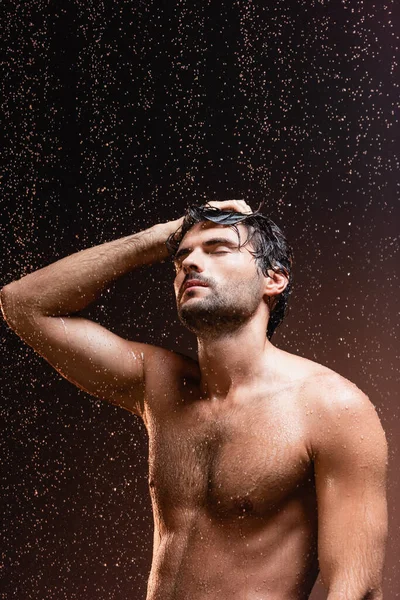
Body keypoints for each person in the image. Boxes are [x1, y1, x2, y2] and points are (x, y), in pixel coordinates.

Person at [1, 199, 388, 599]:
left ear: (274, 279)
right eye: (181, 256)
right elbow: (24, 304)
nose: (190, 263)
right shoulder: (158, 384)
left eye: (218, 249)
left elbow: (356, 589)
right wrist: (157, 238)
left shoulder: (333, 407)